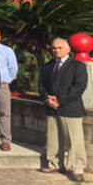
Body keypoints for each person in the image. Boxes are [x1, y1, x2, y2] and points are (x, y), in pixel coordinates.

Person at [38, 38, 88, 182]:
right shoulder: (48, 66)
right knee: (53, 139)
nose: (56, 50)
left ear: (68, 49)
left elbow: (79, 87)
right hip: (51, 108)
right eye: (54, 48)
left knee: (74, 141)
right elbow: (41, 85)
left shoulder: (77, 66)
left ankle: (77, 169)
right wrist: (47, 98)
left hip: (70, 108)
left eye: (60, 48)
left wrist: (60, 100)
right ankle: (54, 163)